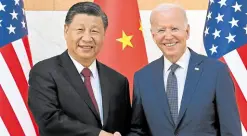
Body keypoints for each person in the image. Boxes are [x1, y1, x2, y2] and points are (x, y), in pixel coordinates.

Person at [128, 3, 242, 136]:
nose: (168, 36)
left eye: (174, 28)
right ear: (153, 36)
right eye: (161, 30)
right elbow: (138, 130)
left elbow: (230, 131)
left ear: (187, 32)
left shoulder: (216, 72)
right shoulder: (142, 77)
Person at [28, 2, 131, 136]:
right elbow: (49, 120)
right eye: (80, 30)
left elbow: (126, 126)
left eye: (94, 31)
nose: (87, 38)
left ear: (104, 34)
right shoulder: (44, 72)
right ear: (66, 30)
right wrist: (98, 134)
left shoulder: (118, 81)